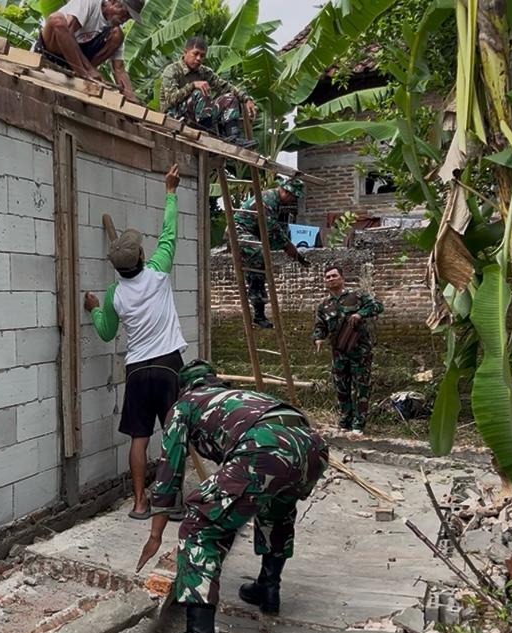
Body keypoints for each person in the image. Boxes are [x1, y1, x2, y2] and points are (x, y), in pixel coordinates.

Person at [135, 360, 329, 633]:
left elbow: (169, 471)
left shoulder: (185, 404)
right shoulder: (238, 397)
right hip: (312, 446)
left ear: (185, 387)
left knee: (200, 526)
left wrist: (155, 534)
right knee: (277, 511)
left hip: (264, 446)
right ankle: (268, 588)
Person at [84, 163, 185, 520]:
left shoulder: (114, 294)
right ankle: (170, 504)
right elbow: (169, 234)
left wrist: (96, 309)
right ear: (142, 257)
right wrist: (170, 192)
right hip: (169, 364)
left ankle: (141, 503)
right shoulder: (158, 271)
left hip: (138, 369)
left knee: (139, 438)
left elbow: (108, 333)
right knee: (174, 435)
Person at [312, 266, 385, 434]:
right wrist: (318, 338)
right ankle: (345, 422)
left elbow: (378, 306)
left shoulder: (357, 296)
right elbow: (320, 325)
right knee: (341, 388)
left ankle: (359, 425)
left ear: (342, 278)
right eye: (328, 277)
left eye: (334, 276)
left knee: (361, 387)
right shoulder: (324, 305)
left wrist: (361, 314)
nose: (331, 279)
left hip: (360, 351)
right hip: (338, 352)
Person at [37, 0, 143, 102]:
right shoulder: (90, 2)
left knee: (118, 36)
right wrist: (89, 70)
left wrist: (131, 97)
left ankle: (82, 74)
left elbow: (119, 68)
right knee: (57, 20)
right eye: (126, 13)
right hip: (51, 52)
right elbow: (68, 31)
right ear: (114, 2)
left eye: (129, 18)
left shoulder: (113, 30)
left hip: (74, 64)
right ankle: (83, 74)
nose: (125, 19)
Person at [160, 37, 257, 147]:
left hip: (200, 116)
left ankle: (234, 136)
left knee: (229, 98)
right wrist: (193, 85)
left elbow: (225, 86)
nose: (198, 58)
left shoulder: (204, 71)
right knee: (199, 91)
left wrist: (246, 99)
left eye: (202, 56)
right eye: (195, 54)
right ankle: (207, 130)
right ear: (185, 52)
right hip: (175, 116)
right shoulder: (172, 70)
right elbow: (171, 99)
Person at [236, 179, 307, 328]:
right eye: (293, 196)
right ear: (286, 191)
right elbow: (274, 230)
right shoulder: (268, 200)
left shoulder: (276, 201)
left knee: (259, 269)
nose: (293, 200)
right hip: (240, 231)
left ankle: (259, 315)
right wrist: (296, 255)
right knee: (259, 256)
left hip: (253, 234)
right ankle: (258, 313)